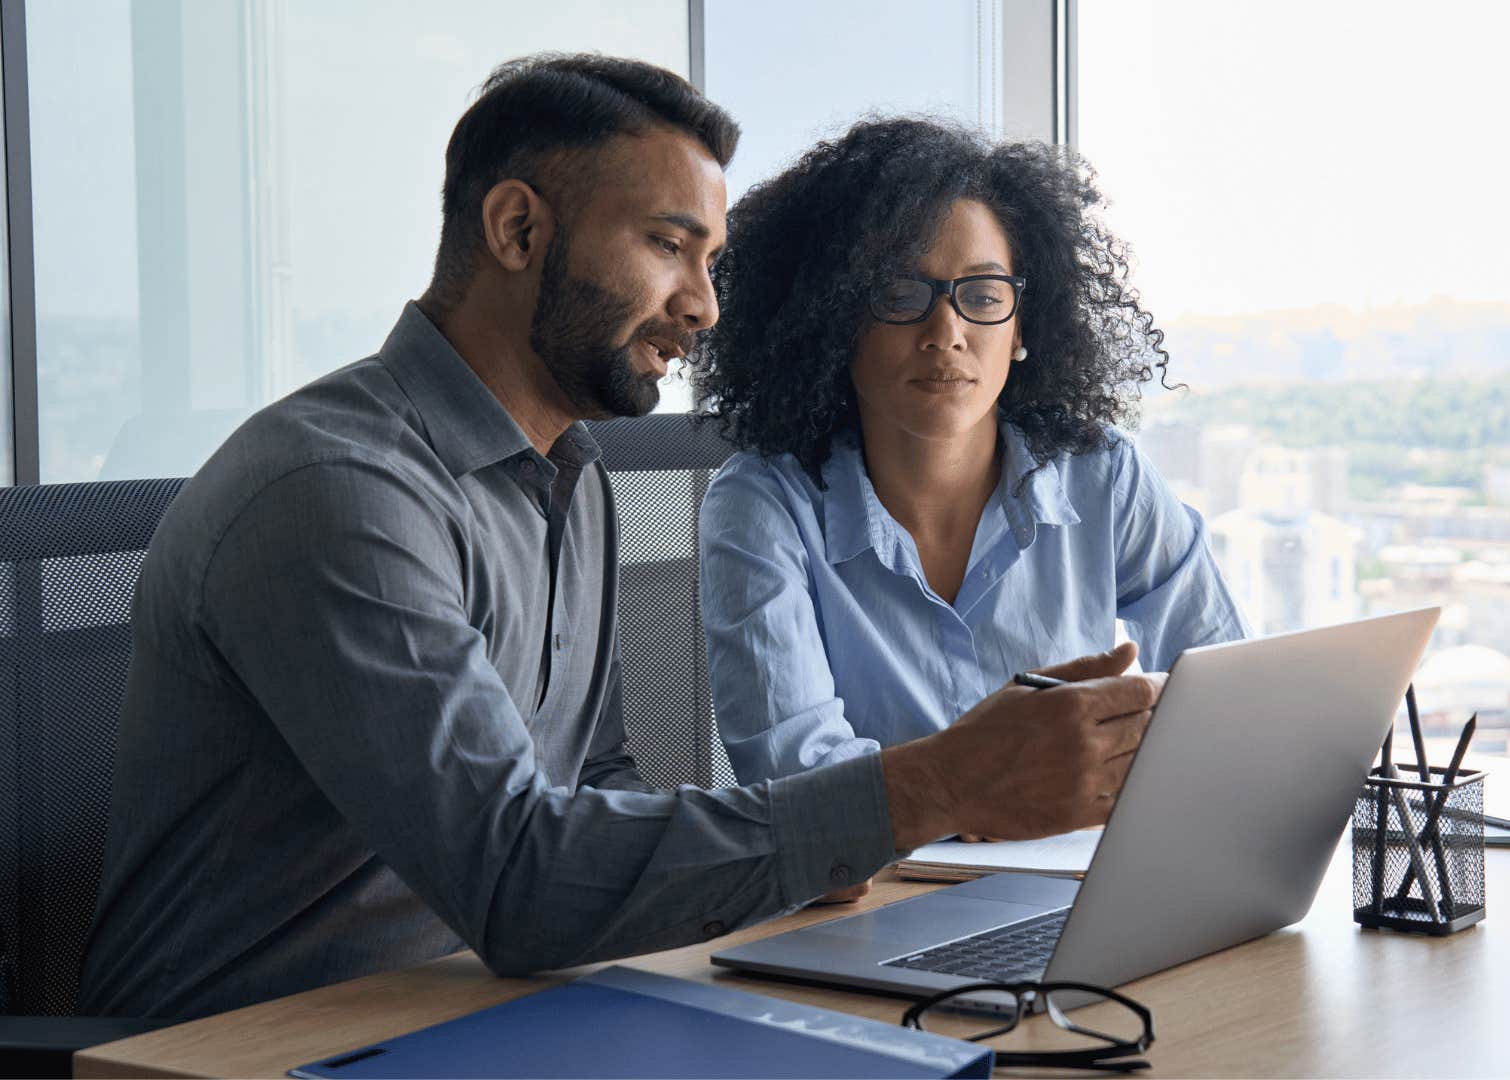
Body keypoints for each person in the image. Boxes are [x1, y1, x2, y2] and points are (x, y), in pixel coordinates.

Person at [78, 55, 1161, 1022]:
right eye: (667, 247)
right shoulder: (338, 492)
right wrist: (928, 788)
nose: (704, 306)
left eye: (711, 260)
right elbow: (518, 881)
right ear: (517, 231)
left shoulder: (571, 475)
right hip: (259, 1044)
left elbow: (594, 784)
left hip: (497, 1010)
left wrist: (811, 842)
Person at [690, 118, 1247, 879]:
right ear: (833, 319)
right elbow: (803, 788)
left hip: (1088, 886)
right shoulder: (762, 506)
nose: (945, 331)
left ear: (1023, 326)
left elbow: (1226, 695)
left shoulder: (1103, 475)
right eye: (898, 293)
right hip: (873, 908)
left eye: (983, 294)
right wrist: (979, 795)